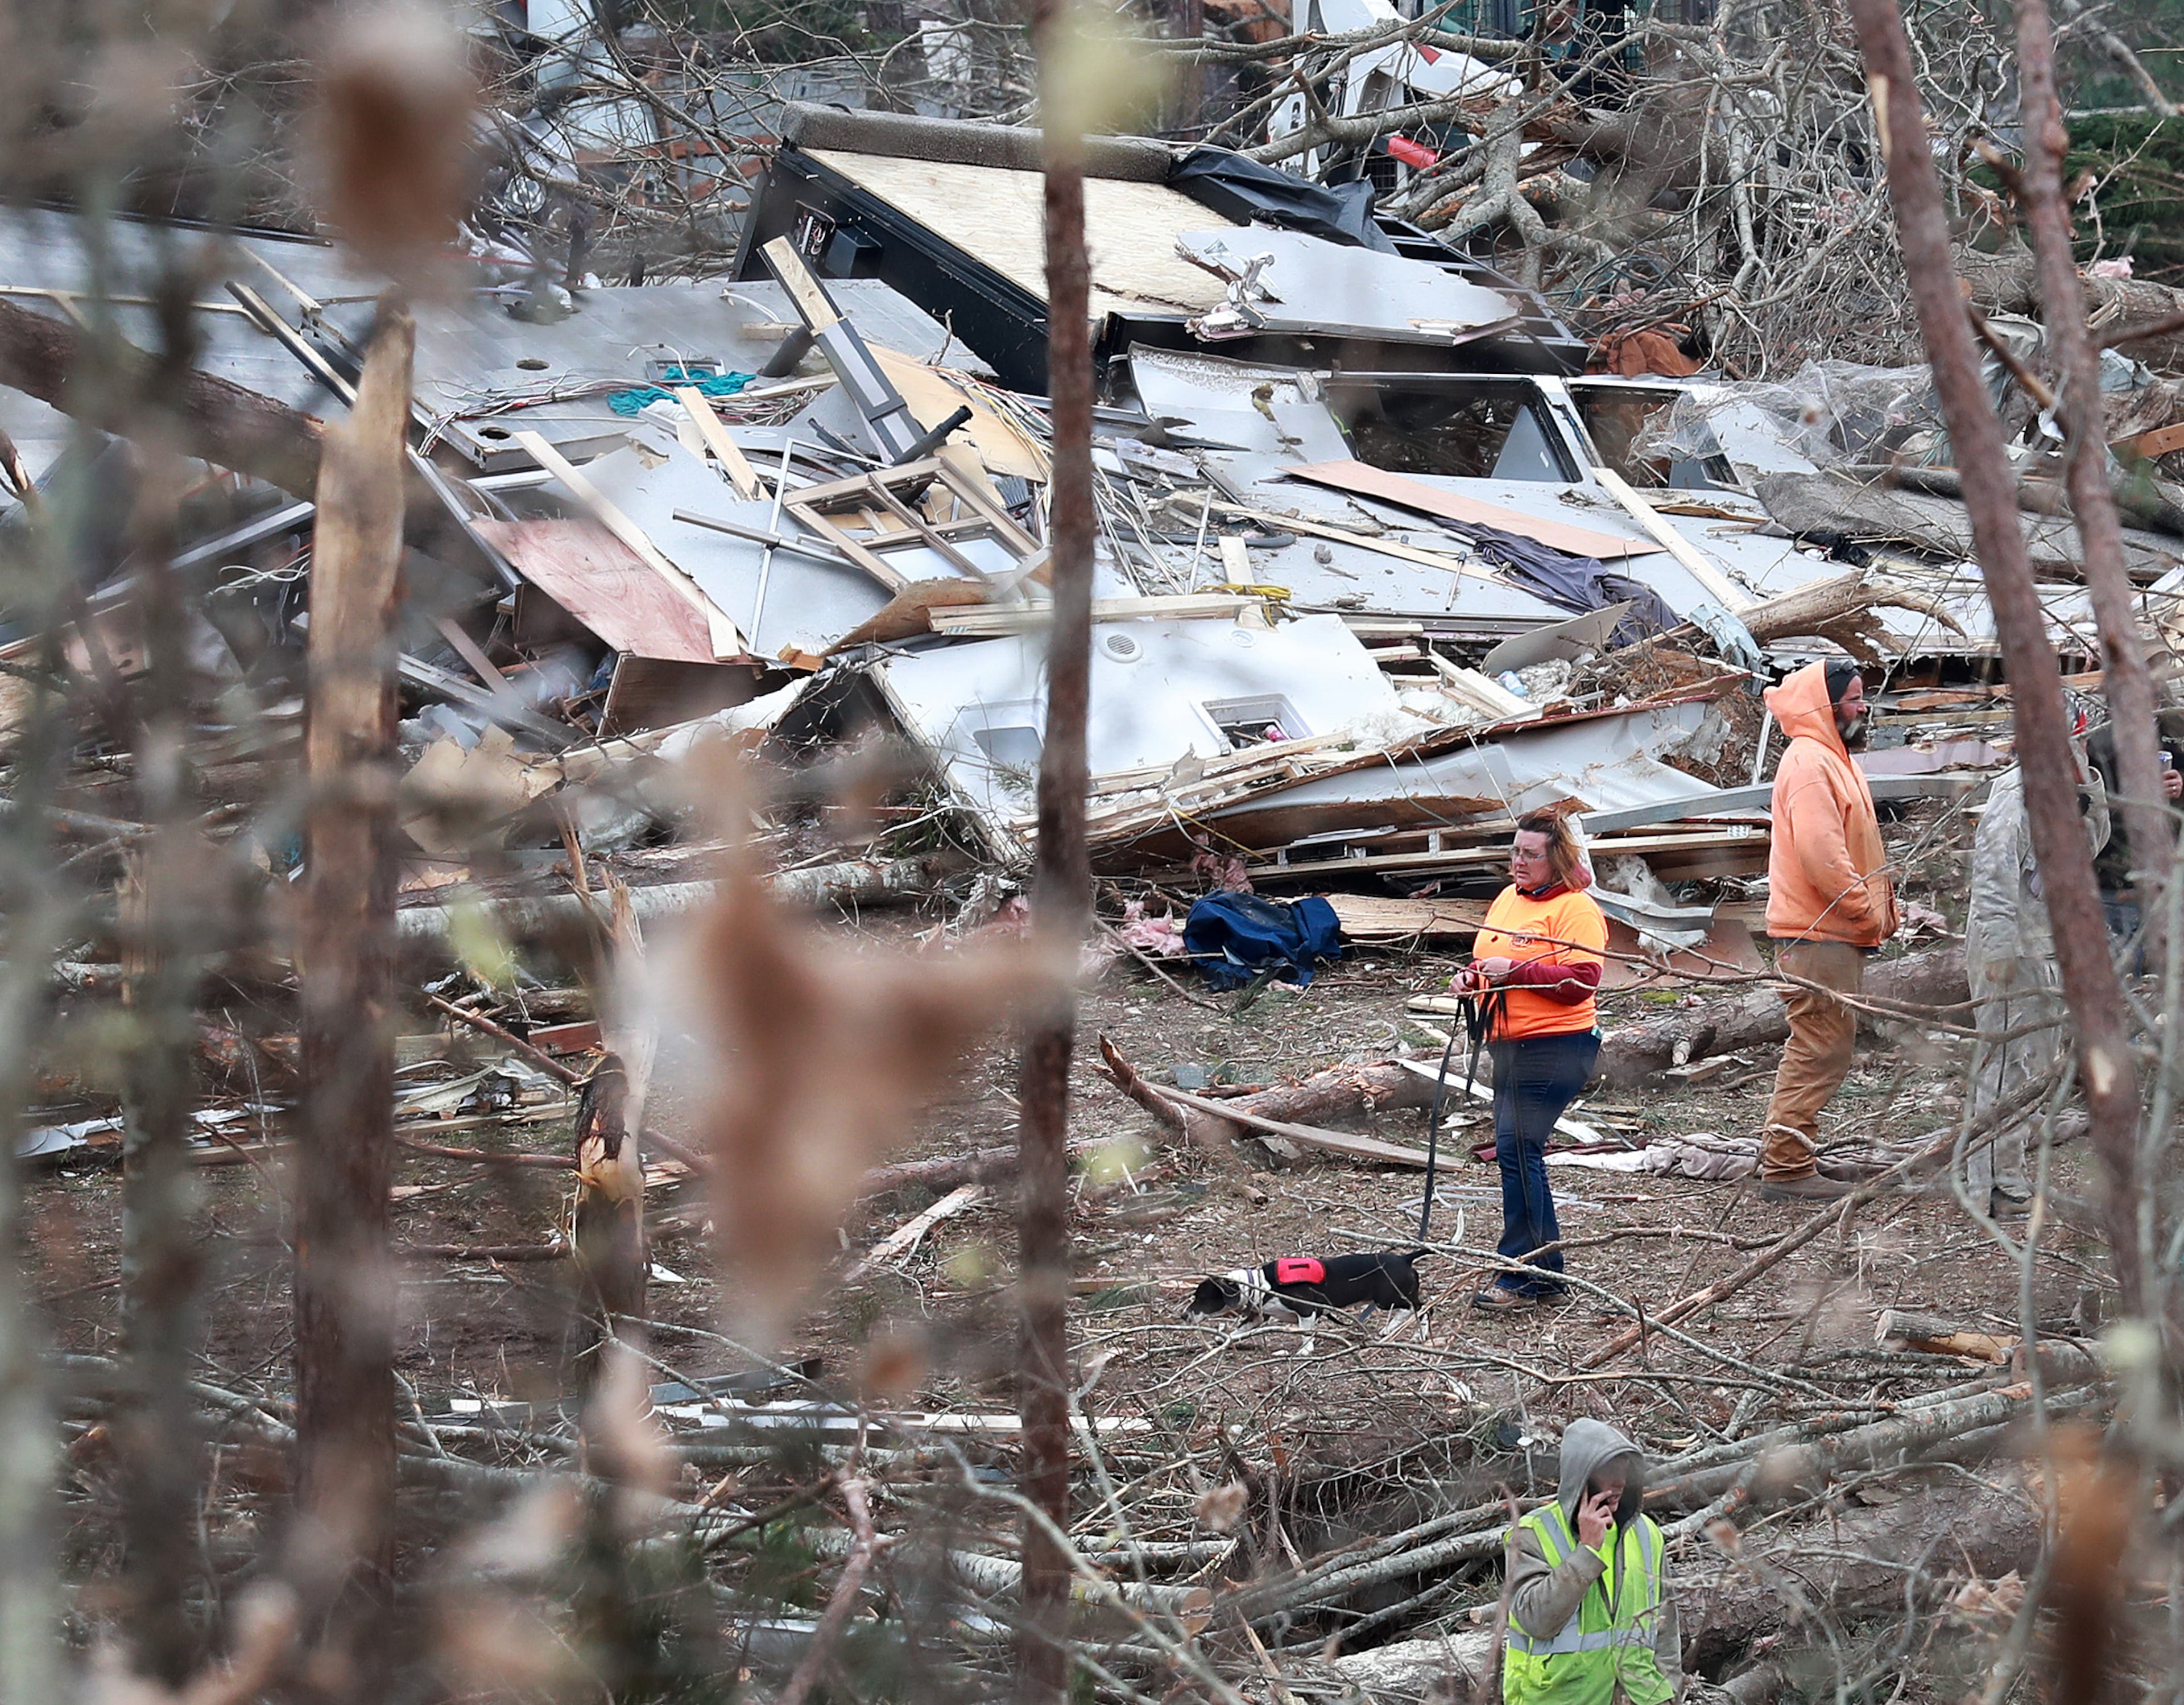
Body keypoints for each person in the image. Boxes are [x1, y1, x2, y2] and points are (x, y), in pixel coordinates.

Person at [1757, 659, 1900, 1204]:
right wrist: (1865, 912)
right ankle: (1788, 1168)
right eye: (1855, 699)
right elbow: (1824, 855)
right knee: (1818, 1048)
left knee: (1823, 1047)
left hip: (1831, 933)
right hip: (1819, 935)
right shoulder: (1812, 762)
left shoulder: (1831, 758)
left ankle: (1790, 1154)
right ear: (1826, 704)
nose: (1863, 708)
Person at [1454, 807, 1607, 1313]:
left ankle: (1530, 1273)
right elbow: (1487, 961)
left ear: (1556, 857)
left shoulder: (1576, 908)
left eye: (1530, 854)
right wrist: (1472, 979)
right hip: (1510, 1044)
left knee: (1519, 1150)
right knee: (1517, 1154)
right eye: (1515, 851)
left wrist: (1515, 970)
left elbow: (1581, 982)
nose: (1518, 862)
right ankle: (1536, 1269)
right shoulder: (1507, 899)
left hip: (1557, 1046)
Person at [1963, 711, 2107, 1218]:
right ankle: (1987, 1184)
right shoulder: (2014, 796)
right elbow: (1993, 881)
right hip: (2012, 950)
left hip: (2046, 945)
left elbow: (2093, 844)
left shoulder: (2065, 790)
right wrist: (2002, 955)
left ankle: (2011, 1170)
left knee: (2033, 1066)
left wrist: (2088, 786)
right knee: (2002, 1066)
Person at [1503, 1417, 1680, 1705]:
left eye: (1624, 1471)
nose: (1619, 1482)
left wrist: (1669, 1691)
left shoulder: (1647, 1534)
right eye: (1608, 1471)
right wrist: (1587, 1550)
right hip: (1560, 1698)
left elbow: (1666, 1625)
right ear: (1581, 1477)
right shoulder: (1533, 1534)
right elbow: (1537, 1621)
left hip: (1640, 1696)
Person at [2082, 717, 2184, 967]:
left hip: (2164, 884)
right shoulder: (2100, 746)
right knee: (2126, 976)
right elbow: (2091, 814)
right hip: (2116, 885)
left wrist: (2180, 783)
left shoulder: (2169, 734)